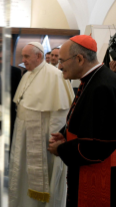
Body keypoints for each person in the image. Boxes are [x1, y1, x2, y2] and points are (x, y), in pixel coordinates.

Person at [48, 35, 116, 207]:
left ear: (79, 59)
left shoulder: (102, 86)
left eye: (62, 60)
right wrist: (64, 133)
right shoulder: (93, 79)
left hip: (97, 173)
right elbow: (84, 117)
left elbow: (98, 146)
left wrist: (61, 149)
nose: (59, 65)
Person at [9, 42, 74, 207]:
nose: (23, 60)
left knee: (38, 177)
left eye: (26, 56)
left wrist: (54, 142)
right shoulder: (27, 75)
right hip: (22, 136)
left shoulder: (55, 76)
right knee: (21, 175)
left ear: (38, 56)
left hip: (42, 139)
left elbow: (60, 114)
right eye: (22, 56)